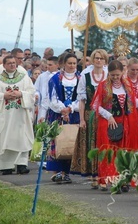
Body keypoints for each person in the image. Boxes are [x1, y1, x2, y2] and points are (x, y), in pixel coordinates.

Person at [91, 60, 138, 191]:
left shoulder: (127, 85)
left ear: (122, 73)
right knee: (108, 151)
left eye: (117, 75)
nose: (115, 77)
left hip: (125, 121)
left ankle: (122, 178)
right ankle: (106, 178)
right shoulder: (103, 86)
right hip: (108, 122)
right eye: (112, 75)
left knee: (123, 151)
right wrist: (109, 116)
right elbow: (96, 105)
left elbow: (133, 100)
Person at [0, 55, 35, 175]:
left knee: (21, 137)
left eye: (14, 63)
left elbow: (32, 93)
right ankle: (6, 166)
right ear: (4, 65)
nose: (12, 65)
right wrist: (3, 96)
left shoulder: (24, 78)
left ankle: (21, 164)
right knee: (4, 137)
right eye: (9, 63)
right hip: (4, 116)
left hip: (20, 115)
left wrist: (21, 93)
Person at [71, 49, 108, 188]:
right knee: (90, 145)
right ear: (93, 60)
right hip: (89, 114)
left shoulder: (108, 76)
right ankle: (94, 175)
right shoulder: (85, 76)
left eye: (101, 59)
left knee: (102, 145)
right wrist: (81, 119)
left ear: (105, 61)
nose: (99, 61)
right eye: (96, 58)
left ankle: (102, 175)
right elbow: (81, 100)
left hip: (104, 115)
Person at [43, 53, 81, 183]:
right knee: (57, 141)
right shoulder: (55, 79)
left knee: (70, 141)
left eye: (74, 63)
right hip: (57, 114)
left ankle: (67, 172)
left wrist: (71, 108)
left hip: (74, 114)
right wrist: (62, 109)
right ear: (64, 64)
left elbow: (82, 98)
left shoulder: (80, 78)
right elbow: (52, 98)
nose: (72, 66)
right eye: (69, 63)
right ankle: (56, 171)